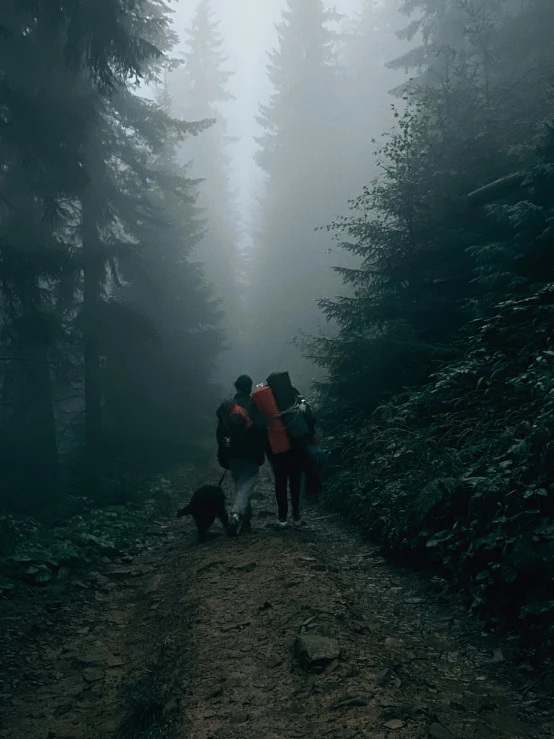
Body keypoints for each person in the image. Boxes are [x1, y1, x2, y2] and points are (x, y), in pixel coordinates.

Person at [216, 375, 266, 536]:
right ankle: (236, 514)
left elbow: (220, 433)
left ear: (236, 387)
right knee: (246, 486)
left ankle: (246, 522)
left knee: (241, 487)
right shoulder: (254, 405)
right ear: (249, 387)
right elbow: (261, 431)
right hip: (250, 453)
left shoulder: (227, 407)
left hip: (232, 453)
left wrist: (223, 453)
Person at [266, 381, 317, 529]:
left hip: (277, 448)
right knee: (295, 481)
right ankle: (297, 517)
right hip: (297, 446)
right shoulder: (295, 393)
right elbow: (310, 416)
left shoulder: (268, 398)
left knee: (280, 482)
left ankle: (282, 519)